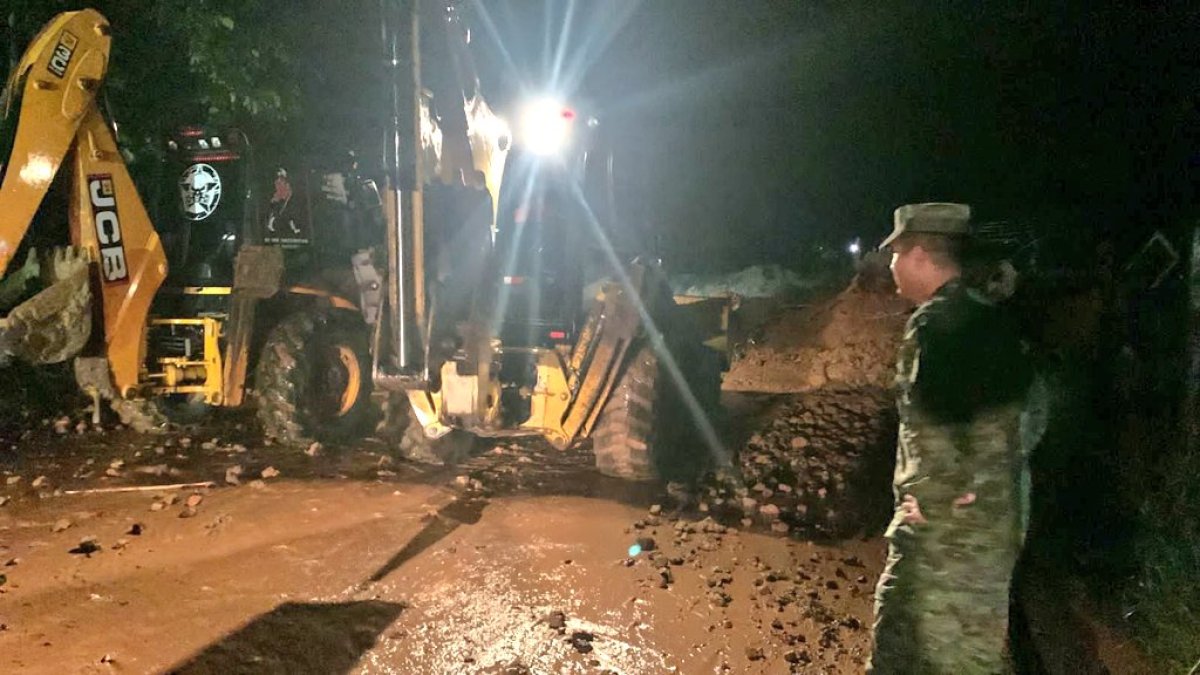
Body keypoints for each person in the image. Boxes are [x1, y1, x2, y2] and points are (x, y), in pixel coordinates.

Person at [868, 203, 1034, 673]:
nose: (891, 266)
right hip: (995, 530)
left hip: (943, 541)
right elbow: (1032, 416)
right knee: (973, 655)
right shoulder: (996, 319)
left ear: (918, 254)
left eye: (895, 254)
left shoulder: (933, 327)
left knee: (901, 653)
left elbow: (930, 433)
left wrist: (929, 505)